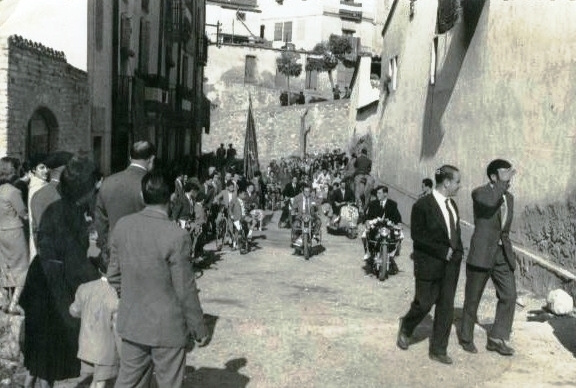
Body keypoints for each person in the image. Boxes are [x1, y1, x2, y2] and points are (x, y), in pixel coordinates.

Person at [108, 172, 208, 387]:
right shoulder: (176, 235)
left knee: (128, 382)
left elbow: (114, 276)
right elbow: (185, 289)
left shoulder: (123, 226)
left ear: (142, 196)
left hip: (133, 322)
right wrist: (198, 327)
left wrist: (131, 298)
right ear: (171, 197)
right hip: (168, 328)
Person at [20, 156, 102, 387]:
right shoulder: (71, 213)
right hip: (54, 285)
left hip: (40, 277)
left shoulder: (56, 206)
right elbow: (74, 259)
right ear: (83, 189)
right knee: (50, 356)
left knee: (39, 355)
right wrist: (97, 279)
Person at [396, 165, 463, 365]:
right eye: (457, 182)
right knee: (424, 303)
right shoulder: (422, 205)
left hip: (451, 265)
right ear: (447, 182)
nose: (460, 186)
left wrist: (457, 252)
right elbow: (418, 236)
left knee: (445, 307)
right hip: (429, 263)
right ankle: (407, 327)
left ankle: (438, 349)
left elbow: (454, 231)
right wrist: (441, 251)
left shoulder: (453, 205)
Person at [459, 159, 517, 356]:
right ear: (493, 176)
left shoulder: (509, 198)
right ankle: (466, 337)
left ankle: (496, 338)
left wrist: (509, 253)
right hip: (482, 253)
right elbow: (491, 202)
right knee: (473, 297)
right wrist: (501, 183)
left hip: (501, 254)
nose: (509, 178)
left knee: (509, 295)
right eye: (504, 173)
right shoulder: (480, 193)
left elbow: (504, 229)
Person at [94, 141, 156, 268]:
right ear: (151, 159)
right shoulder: (152, 185)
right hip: (143, 257)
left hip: (114, 253)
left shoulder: (108, 182)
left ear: (130, 158)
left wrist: (106, 248)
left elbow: (100, 222)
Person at [69, 272, 119, 388]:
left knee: (89, 381)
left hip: (86, 346)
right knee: (101, 383)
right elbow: (117, 327)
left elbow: (74, 311)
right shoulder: (115, 292)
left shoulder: (85, 288)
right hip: (107, 351)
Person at [0, 157, 29, 314]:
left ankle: (5, 300)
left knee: (5, 266)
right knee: (21, 267)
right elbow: (23, 213)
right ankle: (14, 302)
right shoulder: (14, 192)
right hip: (14, 232)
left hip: (1, 232)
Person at [362, 185, 402, 263]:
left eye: (379, 193)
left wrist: (398, 224)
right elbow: (368, 217)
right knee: (364, 235)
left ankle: (393, 255)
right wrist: (367, 222)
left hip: (388, 229)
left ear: (385, 194)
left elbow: (397, 217)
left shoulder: (393, 204)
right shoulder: (373, 204)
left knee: (399, 236)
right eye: (377, 193)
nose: (377, 195)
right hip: (376, 228)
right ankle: (368, 253)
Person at [171, 179, 207, 261]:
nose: (196, 194)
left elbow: (192, 213)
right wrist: (174, 223)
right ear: (192, 191)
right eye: (196, 192)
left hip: (189, 222)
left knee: (196, 235)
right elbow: (175, 212)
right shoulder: (181, 199)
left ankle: (193, 255)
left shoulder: (192, 200)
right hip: (181, 222)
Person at [27, 154, 49, 262]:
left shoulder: (41, 185)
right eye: (41, 168)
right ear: (33, 170)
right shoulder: (38, 188)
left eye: (46, 167)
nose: (46, 170)